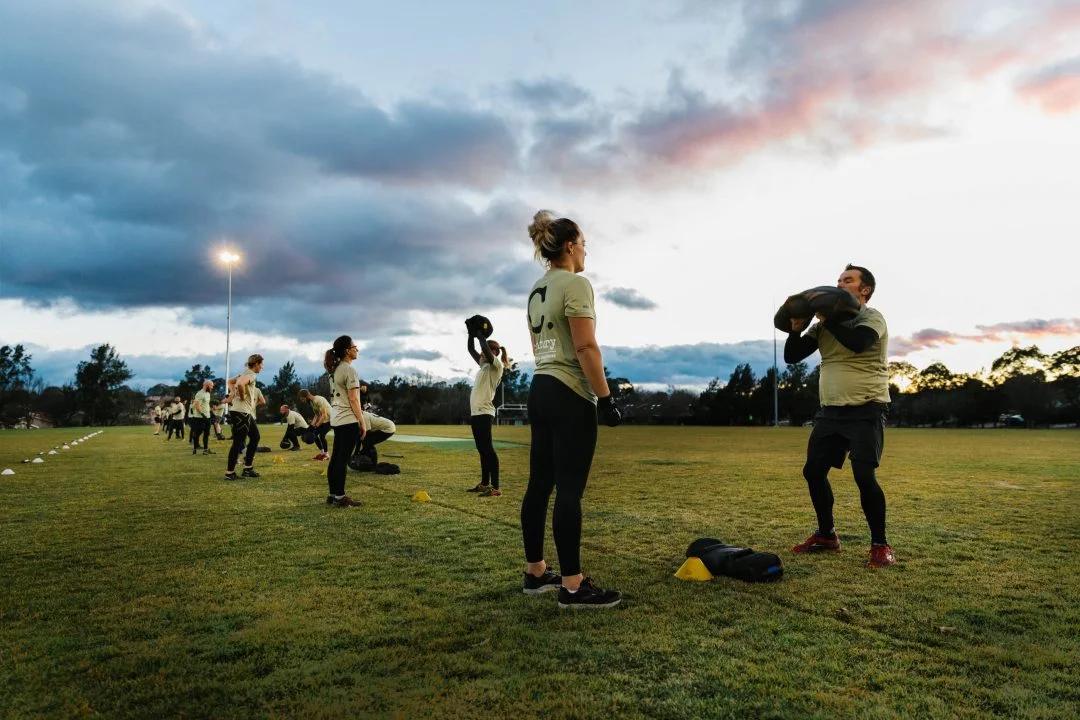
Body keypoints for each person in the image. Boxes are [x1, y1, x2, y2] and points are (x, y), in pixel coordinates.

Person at [520, 210, 623, 609]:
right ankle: (574, 586)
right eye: (583, 244)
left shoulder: (536, 288)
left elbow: (539, 347)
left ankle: (535, 573)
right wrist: (606, 397)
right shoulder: (576, 284)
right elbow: (584, 347)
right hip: (568, 393)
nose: (585, 252)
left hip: (540, 387)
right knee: (569, 489)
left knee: (539, 484)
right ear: (569, 246)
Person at [784, 264, 897, 569]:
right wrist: (796, 330)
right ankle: (826, 535)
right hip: (830, 411)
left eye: (848, 281)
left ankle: (880, 544)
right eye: (838, 281)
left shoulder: (872, 317)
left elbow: (858, 343)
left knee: (863, 475)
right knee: (813, 471)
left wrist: (828, 317)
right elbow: (792, 357)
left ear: (865, 290)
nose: (839, 284)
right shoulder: (823, 326)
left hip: (866, 408)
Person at [465, 324, 507, 496]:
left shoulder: (496, 366)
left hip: (485, 412)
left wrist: (480, 334)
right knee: (482, 449)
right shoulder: (483, 366)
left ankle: (495, 487)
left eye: (485, 352)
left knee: (487, 449)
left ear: (493, 352)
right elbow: (471, 349)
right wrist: (471, 333)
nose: (481, 354)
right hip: (476, 412)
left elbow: (484, 350)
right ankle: (484, 484)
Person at [325, 336, 367, 507]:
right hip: (347, 419)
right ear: (347, 350)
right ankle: (340, 497)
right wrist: (362, 421)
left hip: (337, 418)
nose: (357, 349)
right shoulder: (349, 370)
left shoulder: (335, 370)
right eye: (354, 346)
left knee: (336, 458)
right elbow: (354, 399)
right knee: (342, 460)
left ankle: (333, 494)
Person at [223, 354, 265, 481]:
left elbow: (230, 382)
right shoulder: (251, 374)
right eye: (261, 365)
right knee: (238, 442)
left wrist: (233, 392)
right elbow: (240, 384)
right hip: (242, 412)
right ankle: (229, 473)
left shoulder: (244, 373)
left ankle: (248, 468)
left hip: (243, 412)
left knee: (255, 437)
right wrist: (240, 396)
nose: (262, 368)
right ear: (256, 364)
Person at [298, 389, 332, 460]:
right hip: (324, 420)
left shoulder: (318, 400)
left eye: (303, 399)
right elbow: (316, 415)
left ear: (306, 396)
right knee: (314, 435)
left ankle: (326, 455)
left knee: (322, 435)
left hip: (330, 419)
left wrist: (316, 426)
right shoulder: (312, 402)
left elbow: (324, 415)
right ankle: (322, 453)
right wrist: (311, 426)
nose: (303, 401)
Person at [190, 380, 214, 455]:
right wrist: (203, 415)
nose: (212, 387)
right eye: (211, 386)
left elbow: (206, 404)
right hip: (199, 417)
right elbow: (197, 406)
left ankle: (205, 449)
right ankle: (195, 448)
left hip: (207, 416)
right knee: (198, 433)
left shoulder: (208, 393)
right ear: (207, 385)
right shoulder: (199, 394)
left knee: (207, 433)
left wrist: (210, 411)